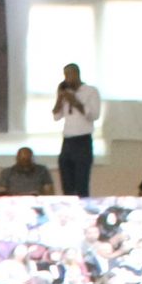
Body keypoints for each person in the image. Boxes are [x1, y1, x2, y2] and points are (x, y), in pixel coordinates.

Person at [51, 64, 100, 197]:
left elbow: (94, 115)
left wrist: (75, 101)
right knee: (67, 183)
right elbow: (56, 116)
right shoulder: (65, 92)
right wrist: (60, 98)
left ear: (77, 74)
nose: (67, 78)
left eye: (69, 74)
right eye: (65, 75)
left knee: (81, 184)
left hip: (83, 141)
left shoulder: (91, 91)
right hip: (67, 141)